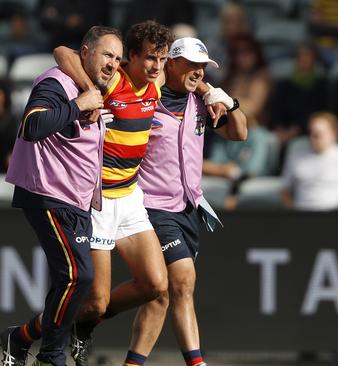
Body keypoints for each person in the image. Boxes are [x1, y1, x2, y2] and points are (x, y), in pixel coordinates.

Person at [51, 21, 175, 366]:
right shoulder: (112, 79)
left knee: (155, 285)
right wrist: (90, 89)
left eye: (162, 59)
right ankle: (37, 332)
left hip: (130, 197)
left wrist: (211, 91)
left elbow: (183, 74)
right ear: (130, 57)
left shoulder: (156, 83)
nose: (157, 66)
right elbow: (62, 51)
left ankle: (86, 327)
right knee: (96, 302)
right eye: (150, 58)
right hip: (99, 201)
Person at [0, 25, 123, 366]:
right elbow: (32, 126)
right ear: (86, 53)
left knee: (72, 279)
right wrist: (78, 103)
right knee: (78, 275)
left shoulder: (96, 87)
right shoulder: (56, 83)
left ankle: (20, 339)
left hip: (76, 198)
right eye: (107, 54)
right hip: (47, 192)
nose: (113, 63)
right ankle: (52, 355)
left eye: (118, 58)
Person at [125, 37, 247, 366]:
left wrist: (229, 103)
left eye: (202, 67)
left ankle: (130, 361)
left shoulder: (201, 102)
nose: (198, 72)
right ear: (171, 63)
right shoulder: (147, 98)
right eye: (191, 65)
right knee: (183, 278)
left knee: (160, 295)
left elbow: (239, 134)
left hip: (189, 207)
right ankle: (197, 363)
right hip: (152, 206)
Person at [282, 111, 338, 211]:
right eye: (310, 133)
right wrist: (293, 215)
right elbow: (285, 190)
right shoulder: (295, 158)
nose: (312, 138)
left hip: (334, 219)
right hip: (301, 217)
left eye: (318, 134)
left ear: (333, 134)